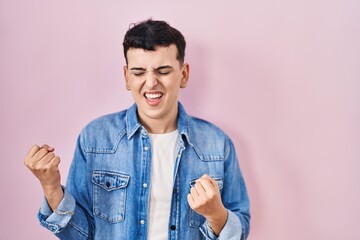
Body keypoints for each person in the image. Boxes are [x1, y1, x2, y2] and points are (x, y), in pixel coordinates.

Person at [24, 19, 250, 240]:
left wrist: (216, 215)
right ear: (126, 77)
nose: (151, 83)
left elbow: (241, 229)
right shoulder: (94, 138)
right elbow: (79, 236)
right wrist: (51, 186)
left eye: (163, 71)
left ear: (184, 74)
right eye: (139, 72)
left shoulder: (217, 144)